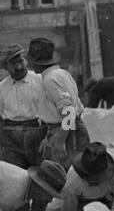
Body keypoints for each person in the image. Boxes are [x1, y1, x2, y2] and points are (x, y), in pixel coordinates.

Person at [29, 37, 88, 170]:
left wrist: (60, 139)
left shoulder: (50, 80)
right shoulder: (62, 74)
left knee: (66, 175)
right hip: (66, 129)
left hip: (66, 132)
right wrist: (49, 137)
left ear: (36, 63)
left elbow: (70, 112)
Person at [0, 44, 47, 169]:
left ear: (26, 60)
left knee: (43, 176)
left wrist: (50, 137)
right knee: (15, 177)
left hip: (38, 134)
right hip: (11, 139)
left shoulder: (41, 80)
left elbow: (55, 112)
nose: (19, 66)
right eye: (13, 64)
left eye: (21, 61)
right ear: (6, 67)